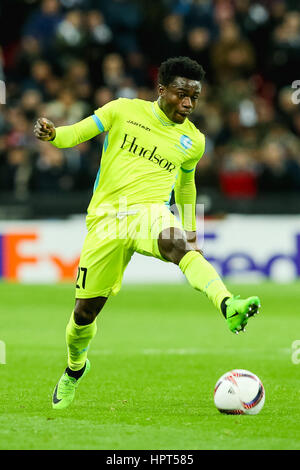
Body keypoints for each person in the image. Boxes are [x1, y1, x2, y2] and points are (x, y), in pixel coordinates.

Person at [34, 56, 261, 410]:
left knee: (179, 247)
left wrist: (189, 229)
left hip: (149, 213)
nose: (188, 103)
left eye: (195, 97)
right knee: (83, 315)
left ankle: (228, 303)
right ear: (162, 90)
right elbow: (75, 134)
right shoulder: (122, 110)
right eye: (181, 94)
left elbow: (187, 186)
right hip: (106, 219)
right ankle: (75, 369)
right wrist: (53, 135)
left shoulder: (193, 141)